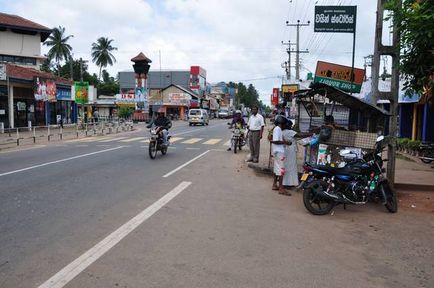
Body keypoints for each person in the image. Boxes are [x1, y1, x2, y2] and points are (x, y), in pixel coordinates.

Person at [270, 116, 291, 195]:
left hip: (277, 151)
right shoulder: (277, 129)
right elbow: (275, 141)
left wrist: (284, 141)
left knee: (277, 169)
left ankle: (275, 184)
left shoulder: (277, 129)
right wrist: (285, 142)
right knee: (281, 170)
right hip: (279, 152)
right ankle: (281, 188)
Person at [282, 119, 299, 188]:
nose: (291, 126)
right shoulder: (290, 132)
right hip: (291, 151)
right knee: (291, 167)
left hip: (286, 150)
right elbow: (300, 135)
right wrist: (311, 134)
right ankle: (289, 183)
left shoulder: (282, 132)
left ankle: (285, 182)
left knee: (286, 166)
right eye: (291, 125)